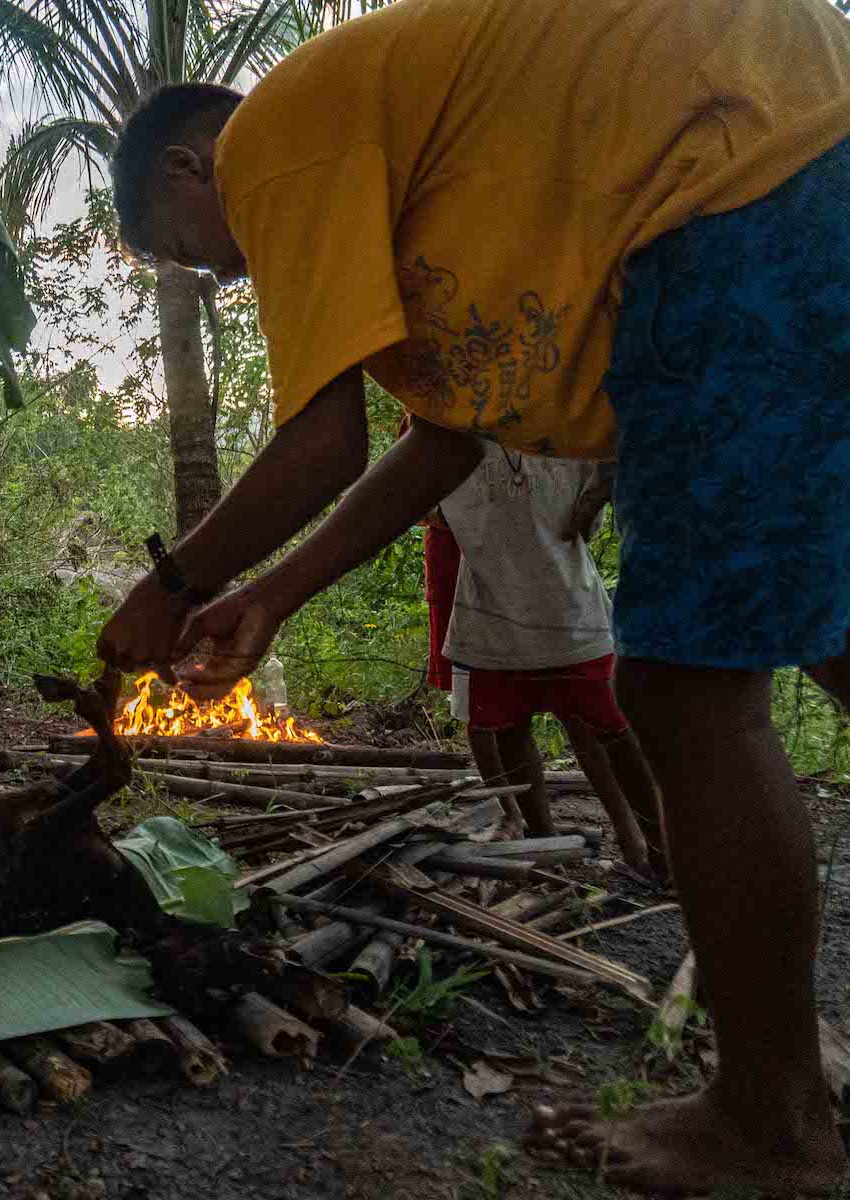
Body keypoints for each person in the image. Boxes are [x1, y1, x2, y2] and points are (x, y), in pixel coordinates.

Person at [94, 0, 850, 1191]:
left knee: (688, 693)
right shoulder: (412, 172)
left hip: (737, 185)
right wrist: (273, 597)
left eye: (194, 249)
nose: (227, 272)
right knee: (837, 633)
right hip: (796, 160)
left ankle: (772, 1123)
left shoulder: (272, 139)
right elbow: (439, 441)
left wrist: (172, 583)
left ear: (193, 164)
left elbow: (320, 444)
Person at [435, 442, 666, 879]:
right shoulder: (449, 440)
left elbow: (600, 489)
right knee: (511, 727)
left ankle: (655, 849)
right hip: (498, 616)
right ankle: (547, 842)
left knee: (612, 728)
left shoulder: (565, 432)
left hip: (568, 613)